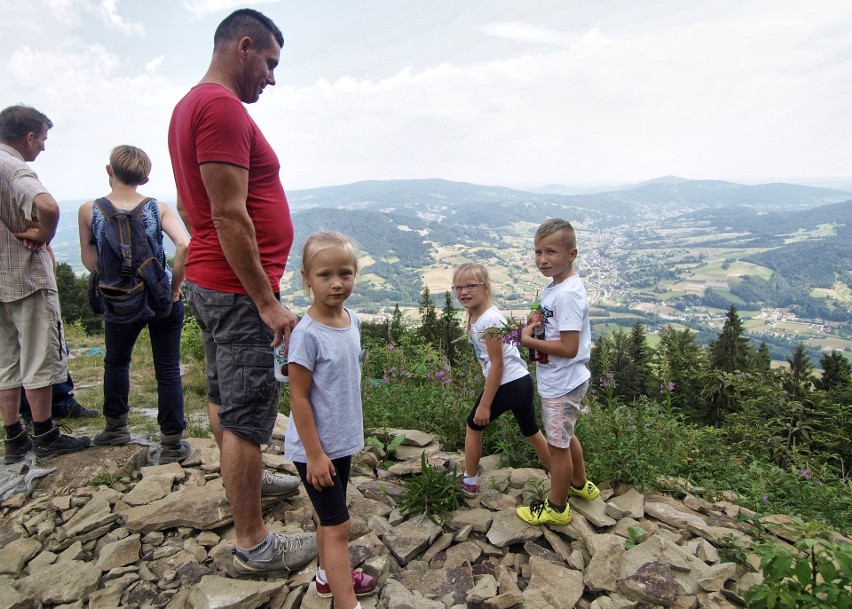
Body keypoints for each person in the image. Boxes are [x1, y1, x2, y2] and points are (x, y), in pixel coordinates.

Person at [168, 8, 316, 576]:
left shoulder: (189, 104)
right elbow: (230, 215)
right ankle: (254, 543)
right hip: (236, 290)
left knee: (224, 396)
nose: (272, 78)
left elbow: (190, 204)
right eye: (270, 63)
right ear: (245, 46)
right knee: (249, 412)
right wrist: (265, 299)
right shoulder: (223, 108)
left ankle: (247, 479)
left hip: (211, 280)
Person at [78, 145, 191, 464]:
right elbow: (184, 245)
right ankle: (171, 442)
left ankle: (116, 428)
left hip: (118, 300)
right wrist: (174, 286)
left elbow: (90, 260)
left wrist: (116, 284)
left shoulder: (89, 210)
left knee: (116, 361)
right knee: (167, 367)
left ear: (109, 170)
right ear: (145, 177)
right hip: (160, 297)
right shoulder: (159, 208)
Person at [285, 232, 377, 607]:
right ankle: (346, 601)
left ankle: (327, 577)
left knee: (328, 519)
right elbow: (298, 397)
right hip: (315, 448)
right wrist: (315, 454)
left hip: (340, 441)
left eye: (345, 273)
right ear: (307, 277)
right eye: (325, 275)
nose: (337, 282)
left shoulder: (351, 319)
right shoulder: (306, 335)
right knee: (339, 525)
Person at [0, 104, 91, 464]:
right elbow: (48, 205)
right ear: (29, 136)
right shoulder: (13, 166)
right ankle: (45, 434)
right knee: (37, 356)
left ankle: (13, 437)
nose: (43, 147)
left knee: (6, 362)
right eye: (43, 139)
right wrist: (43, 231)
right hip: (26, 278)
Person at [516, 218, 600, 526]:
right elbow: (558, 328)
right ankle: (580, 485)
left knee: (557, 447)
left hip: (562, 382)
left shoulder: (566, 294)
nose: (542, 260)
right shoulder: (557, 288)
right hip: (565, 380)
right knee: (566, 435)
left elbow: (569, 347)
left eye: (551, 252)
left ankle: (557, 506)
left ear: (572, 254)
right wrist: (538, 322)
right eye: (538, 252)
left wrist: (525, 338)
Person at [452, 262, 551, 498]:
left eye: (470, 286)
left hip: (507, 383)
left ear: (485, 287)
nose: (463, 292)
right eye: (458, 287)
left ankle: (470, 480)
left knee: (473, 425)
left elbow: (498, 364)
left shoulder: (489, 321)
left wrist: (485, 405)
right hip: (522, 381)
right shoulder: (484, 316)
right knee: (531, 432)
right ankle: (559, 474)